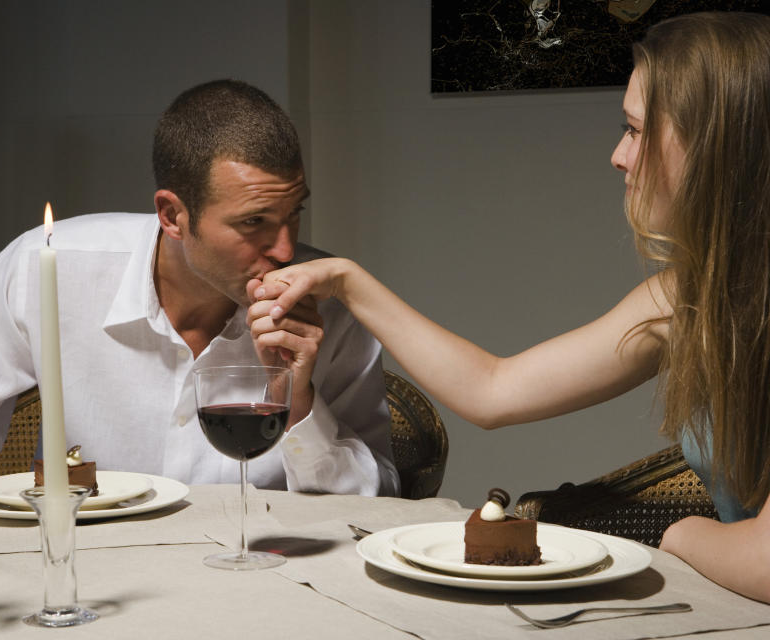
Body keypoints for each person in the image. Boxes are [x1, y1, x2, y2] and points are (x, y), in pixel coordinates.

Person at [248, 12, 770, 602]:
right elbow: (493, 390)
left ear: (717, 148)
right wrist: (348, 281)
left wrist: (679, 533)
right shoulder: (686, 297)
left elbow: (764, 563)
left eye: (635, 129)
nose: (618, 157)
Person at [0, 79, 399, 535]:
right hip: (90, 577)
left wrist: (299, 405)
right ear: (172, 215)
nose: (286, 248)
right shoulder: (49, 268)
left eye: (293, 213)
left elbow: (381, 504)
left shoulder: (333, 306)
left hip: (270, 582)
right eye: (254, 223)